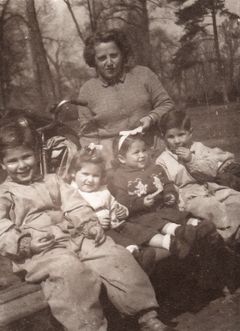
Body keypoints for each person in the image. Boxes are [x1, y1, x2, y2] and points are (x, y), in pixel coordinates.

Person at [0, 120, 174, 331]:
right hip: (40, 250)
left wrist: (89, 224)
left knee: (113, 254)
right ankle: (89, 327)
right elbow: (2, 227)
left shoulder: (52, 181)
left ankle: (145, 314)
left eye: (26, 157)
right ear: (3, 164)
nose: (22, 165)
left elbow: (75, 205)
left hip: (75, 236)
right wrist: (25, 243)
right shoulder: (5, 193)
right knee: (69, 270)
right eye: (13, 161)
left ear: (36, 155)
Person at [107, 132, 216, 260]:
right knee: (152, 220)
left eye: (144, 150)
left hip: (162, 207)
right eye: (136, 153)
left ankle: (196, 226)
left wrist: (170, 194)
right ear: (122, 159)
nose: (142, 155)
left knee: (175, 214)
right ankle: (180, 232)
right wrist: (141, 203)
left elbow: (167, 184)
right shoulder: (119, 176)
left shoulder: (155, 168)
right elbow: (122, 201)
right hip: (140, 214)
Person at [77, 29, 174, 164]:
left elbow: (166, 104)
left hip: (151, 150)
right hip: (114, 159)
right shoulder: (87, 90)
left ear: (123, 54)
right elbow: (88, 135)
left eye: (114, 55)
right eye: (102, 58)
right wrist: (99, 162)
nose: (109, 62)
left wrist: (151, 118)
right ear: (93, 61)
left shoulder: (143, 74)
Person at [69, 145, 158, 271]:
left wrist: (121, 210)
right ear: (73, 173)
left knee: (132, 229)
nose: (90, 180)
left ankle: (152, 246)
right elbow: (75, 215)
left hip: (114, 223)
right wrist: (95, 222)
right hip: (93, 233)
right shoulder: (72, 193)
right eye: (85, 174)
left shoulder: (102, 190)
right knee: (116, 239)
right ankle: (135, 255)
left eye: (95, 176)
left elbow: (113, 204)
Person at [156, 109, 240, 240]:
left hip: (210, 187)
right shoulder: (163, 160)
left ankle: (233, 234)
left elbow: (211, 171)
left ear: (190, 133)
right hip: (188, 197)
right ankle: (224, 238)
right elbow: (168, 185)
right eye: (171, 137)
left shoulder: (198, 148)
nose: (177, 141)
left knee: (235, 199)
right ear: (163, 138)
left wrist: (191, 159)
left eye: (181, 135)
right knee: (212, 207)